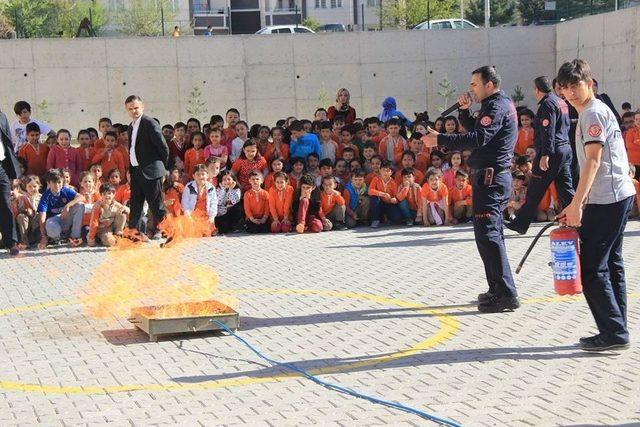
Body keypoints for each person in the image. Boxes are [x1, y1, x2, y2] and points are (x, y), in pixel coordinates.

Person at [424, 65, 520, 313]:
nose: (471, 89)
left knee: (489, 236)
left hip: (492, 179)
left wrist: (440, 139)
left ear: (489, 84)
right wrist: (465, 113)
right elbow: (478, 131)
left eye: (475, 84)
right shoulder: (493, 105)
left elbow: (479, 139)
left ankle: (506, 294)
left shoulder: (497, 106)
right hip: (488, 179)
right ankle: (497, 288)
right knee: (489, 237)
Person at [556, 59, 636, 352]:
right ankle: (617, 327)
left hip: (608, 199)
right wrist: (578, 202)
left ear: (590, 83)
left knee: (592, 268)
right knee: (612, 264)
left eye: (576, 85)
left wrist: (577, 204)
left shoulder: (591, 113)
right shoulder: (594, 110)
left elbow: (593, 160)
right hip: (616, 195)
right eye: (566, 87)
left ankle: (614, 333)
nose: (571, 92)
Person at [505, 76, 575, 235]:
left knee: (535, 189)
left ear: (537, 89)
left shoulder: (547, 104)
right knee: (566, 189)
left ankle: (521, 224)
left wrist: (545, 154)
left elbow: (547, 131)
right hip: (564, 149)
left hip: (551, 152)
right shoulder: (560, 102)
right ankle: (577, 220)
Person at [124, 95, 169, 242]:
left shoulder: (150, 123)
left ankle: (173, 233)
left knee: (157, 207)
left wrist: (161, 169)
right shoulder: (131, 126)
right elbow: (132, 149)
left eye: (136, 108)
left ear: (142, 107)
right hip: (136, 172)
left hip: (151, 172)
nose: (134, 111)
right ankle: (135, 237)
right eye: (130, 109)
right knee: (135, 206)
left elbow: (163, 147)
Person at [37, 169, 84, 249]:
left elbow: (81, 197)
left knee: (80, 205)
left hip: (66, 218)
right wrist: (43, 236)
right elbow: (42, 218)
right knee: (49, 223)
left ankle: (74, 237)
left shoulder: (65, 190)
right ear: (48, 183)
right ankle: (57, 238)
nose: (57, 185)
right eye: (54, 182)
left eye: (59, 182)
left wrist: (68, 206)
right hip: (55, 221)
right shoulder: (45, 196)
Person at [0, 109, 21, 255]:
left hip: (1, 166)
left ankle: (10, 242)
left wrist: (14, 173)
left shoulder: (1, 116)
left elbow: (8, 143)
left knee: (5, 203)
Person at [181, 164, 217, 236]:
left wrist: (212, 217)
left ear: (207, 175)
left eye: (203, 174)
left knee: (207, 233)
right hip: (192, 216)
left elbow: (214, 203)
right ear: (193, 176)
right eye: (198, 175)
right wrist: (188, 217)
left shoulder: (211, 187)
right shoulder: (189, 187)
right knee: (191, 233)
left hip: (206, 216)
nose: (201, 177)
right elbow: (185, 203)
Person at [215, 170, 243, 234]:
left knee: (238, 207)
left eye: (228, 179)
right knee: (223, 230)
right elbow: (219, 202)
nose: (226, 181)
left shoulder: (236, 189)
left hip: (231, 213)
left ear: (233, 180)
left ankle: (235, 226)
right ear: (221, 181)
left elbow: (234, 201)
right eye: (224, 179)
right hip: (221, 214)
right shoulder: (218, 189)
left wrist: (230, 189)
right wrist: (223, 189)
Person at [624, 111, 640, 179]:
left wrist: (636, 142)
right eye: (636, 119)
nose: (638, 121)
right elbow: (629, 146)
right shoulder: (629, 132)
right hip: (633, 164)